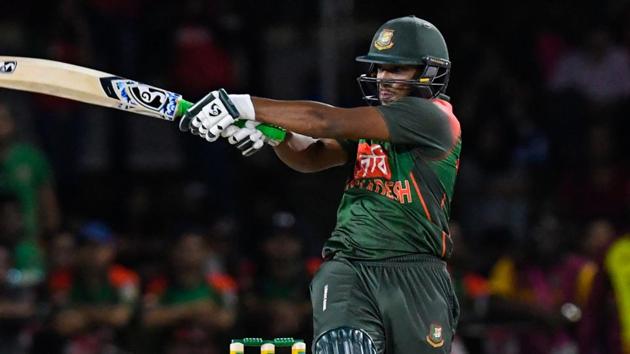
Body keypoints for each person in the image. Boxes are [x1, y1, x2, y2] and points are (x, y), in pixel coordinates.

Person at [180, 16, 461, 354]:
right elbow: (311, 156)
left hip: (417, 274)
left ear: (428, 73)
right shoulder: (373, 123)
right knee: (342, 346)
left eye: (396, 70)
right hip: (350, 267)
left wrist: (244, 105)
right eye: (380, 69)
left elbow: (325, 122)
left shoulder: (434, 118)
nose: (383, 79)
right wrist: (276, 135)